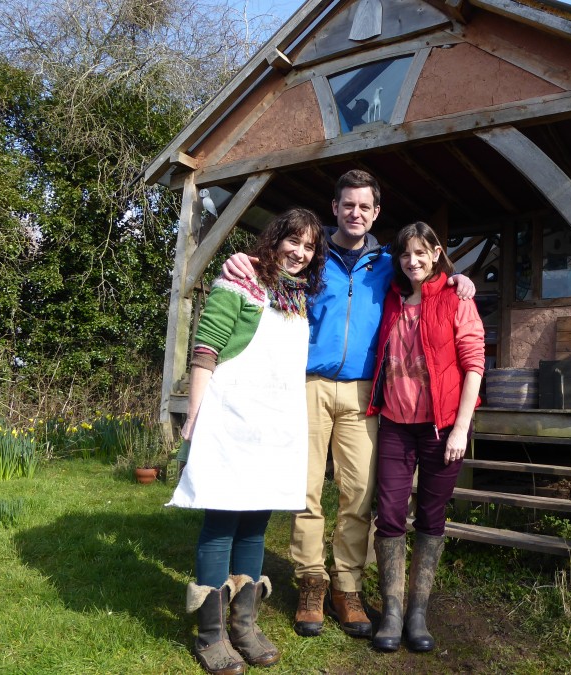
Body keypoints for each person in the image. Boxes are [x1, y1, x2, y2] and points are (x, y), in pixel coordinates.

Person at [222, 170, 475, 639]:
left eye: (365, 206)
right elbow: (274, 269)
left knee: (359, 494)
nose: (355, 213)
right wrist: (241, 260)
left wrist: (461, 280)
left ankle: (348, 586)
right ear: (334, 207)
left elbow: (428, 274)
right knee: (306, 491)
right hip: (309, 385)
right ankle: (312, 583)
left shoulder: (386, 264)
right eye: (348, 205)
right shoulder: (315, 258)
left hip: (364, 393)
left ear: (376, 213)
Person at [167, 207, 326, 675]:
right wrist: (194, 415)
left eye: (309, 246)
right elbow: (206, 348)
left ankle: (244, 626)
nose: (299, 252)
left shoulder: (298, 297)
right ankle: (211, 635)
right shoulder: (239, 280)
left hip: (273, 426)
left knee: (255, 524)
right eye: (292, 240)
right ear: (275, 239)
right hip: (230, 419)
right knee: (221, 522)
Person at [366, 221, 484, 653]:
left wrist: (461, 428)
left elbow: (474, 364)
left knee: (432, 517)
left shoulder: (456, 298)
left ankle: (418, 613)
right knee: (391, 514)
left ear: (436, 252)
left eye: (420, 253)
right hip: (396, 425)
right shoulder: (392, 298)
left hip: (441, 428)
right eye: (404, 254)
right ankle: (392, 612)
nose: (412, 261)